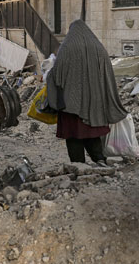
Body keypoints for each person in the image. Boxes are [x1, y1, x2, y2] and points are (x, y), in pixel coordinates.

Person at [46, 20, 127, 165]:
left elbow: (56, 74)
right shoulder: (98, 47)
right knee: (92, 132)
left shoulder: (67, 47)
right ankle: (99, 159)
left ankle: (78, 164)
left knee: (73, 134)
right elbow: (107, 74)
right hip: (95, 102)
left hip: (71, 103)